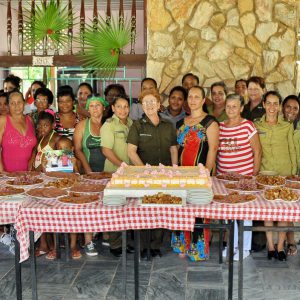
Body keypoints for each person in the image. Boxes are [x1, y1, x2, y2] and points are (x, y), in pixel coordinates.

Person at [127, 89, 178, 258]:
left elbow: (173, 148)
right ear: (142, 106)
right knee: (143, 209)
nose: (149, 105)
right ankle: (143, 246)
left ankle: (156, 245)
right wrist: (145, 171)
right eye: (145, 102)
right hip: (144, 176)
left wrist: (175, 168)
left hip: (164, 175)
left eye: (152, 101)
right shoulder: (137, 125)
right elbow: (131, 152)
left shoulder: (168, 125)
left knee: (161, 207)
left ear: (158, 104)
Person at [217, 94, 261, 260]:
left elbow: (257, 151)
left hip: (244, 179)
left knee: (244, 214)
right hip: (224, 180)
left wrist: (253, 176)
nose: (231, 109)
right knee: (229, 213)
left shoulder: (248, 126)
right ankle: (231, 245)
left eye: (234, 106)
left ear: (241, 108)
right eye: (228, 106)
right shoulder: (220, 126)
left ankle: (244, 248)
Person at [177, 85, 219, 254]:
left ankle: (197, 249)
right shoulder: (181, 122)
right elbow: (179, 148)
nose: (192, 100)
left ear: (202, 100)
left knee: (199, 211)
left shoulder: (210, 122)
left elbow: (213, 149)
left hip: (200, 175)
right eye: (190, 97)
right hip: (181, 174)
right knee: (182, 209)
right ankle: (182, 245)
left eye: (196, 97)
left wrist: (206, 174)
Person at [255, 91, 297, 261]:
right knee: (268, 212)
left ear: (279, 106)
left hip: (285, 174)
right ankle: (270, 246)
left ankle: (280, 247)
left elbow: (292, 150)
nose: (272, 107)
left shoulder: (286, 126)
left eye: (275, 104)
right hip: (265, 174)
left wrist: (293, 174)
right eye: (269, 103)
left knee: (284, 213)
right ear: (263, 104)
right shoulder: (256, 125)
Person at [73, 95, 109, 257]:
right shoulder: (82, 125)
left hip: (108, 171)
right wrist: (88, 170)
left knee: (106, 202)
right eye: (92, 106)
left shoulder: (108, 125)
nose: (95, 109)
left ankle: (106, 233)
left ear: (103, 108)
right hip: (89, 171)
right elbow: (77, 149)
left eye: (98, 105)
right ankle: (88, 241)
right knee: (89, 205)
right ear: (88, 109)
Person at [100, 94, 133, 257]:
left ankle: (125, 242)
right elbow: (106, 150)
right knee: (115, 208)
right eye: (119, 106)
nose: (123, 110)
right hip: (115, 173)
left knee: (126, 208)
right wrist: (122, 166)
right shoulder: (109, 125)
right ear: (113, 108)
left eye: (126, 106)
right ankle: (115, 245)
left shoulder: (131, 123)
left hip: (129, 173)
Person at [0, 91, 37, 172]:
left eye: (19, 102)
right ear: (8, 105)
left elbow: (35, 145)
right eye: (12, 103)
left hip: (29, 174)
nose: (16, 106)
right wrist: (1, 172)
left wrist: (33, 158)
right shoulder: (3, 120)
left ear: (24, 103)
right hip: (7, 174)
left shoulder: (30, 120)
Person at [282, 95, 300, 256]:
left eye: (295, 108)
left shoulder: (298, 127)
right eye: (288, 106)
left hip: (297, 173)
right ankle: (290, 241)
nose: (291, 111)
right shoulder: (279, 125)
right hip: (285, 172)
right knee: (287, 209)